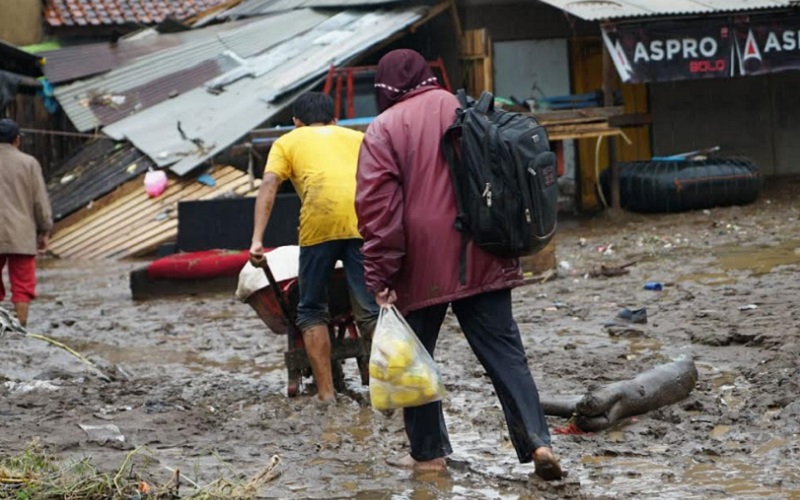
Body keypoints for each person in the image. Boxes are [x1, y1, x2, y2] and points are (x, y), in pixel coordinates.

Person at [355, 49, 563, 479]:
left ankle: (429, 455)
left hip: (422, 262)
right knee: (506, 355)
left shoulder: (384, 128)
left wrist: (380, 276)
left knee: (415, 357)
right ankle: (539, 443)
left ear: (385, 87)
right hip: (485, 248)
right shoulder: (466, 107)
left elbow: (379, 213)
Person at [249, 92, 380, 403]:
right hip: (360, 221)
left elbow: (269, 185)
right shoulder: (355, 137)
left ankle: (326, 395)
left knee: (310, 311)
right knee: (371, 312)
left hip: (319, 223)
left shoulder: (288, 141)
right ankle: (388, 390)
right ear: (334, 120)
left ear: (296, 122)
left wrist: (257, 239)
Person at [0, 118, 52, 328]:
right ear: (17, 140)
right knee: (22, 285)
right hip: (21, 233)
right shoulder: (29, 163)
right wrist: (45, 230)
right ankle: (20, 328)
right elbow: (40, 201)